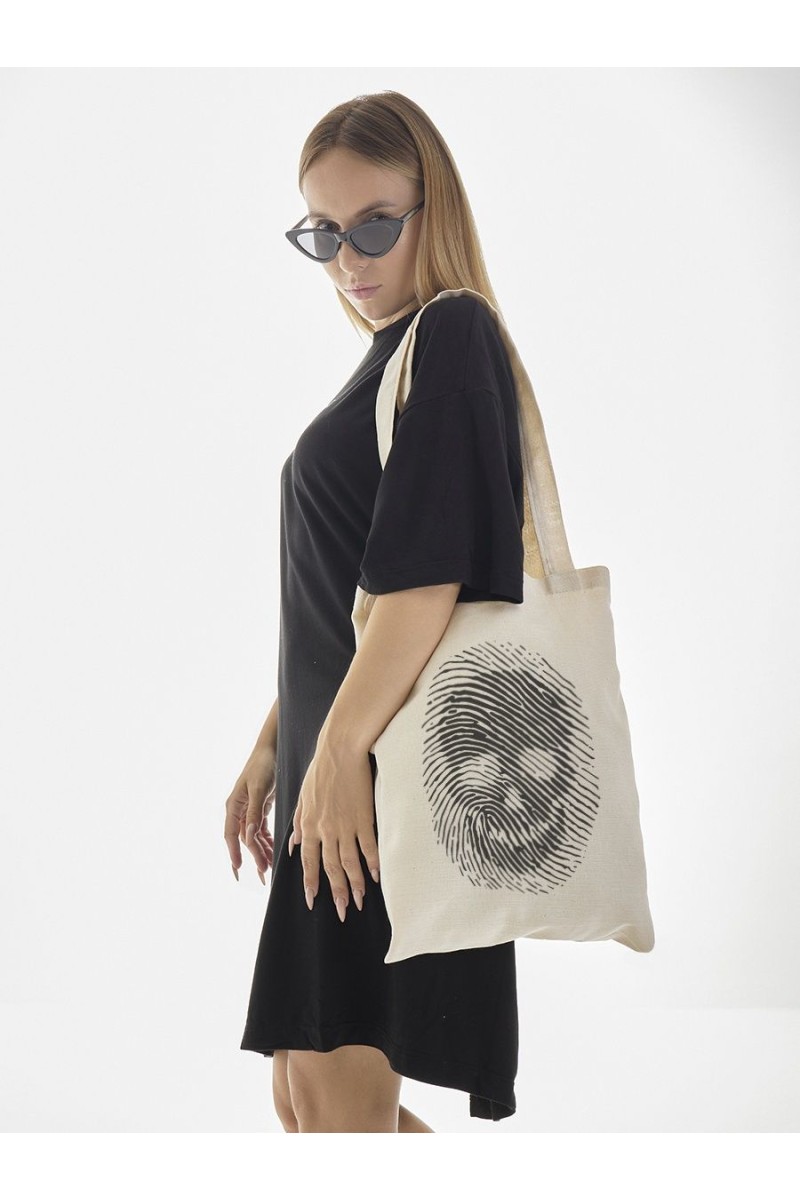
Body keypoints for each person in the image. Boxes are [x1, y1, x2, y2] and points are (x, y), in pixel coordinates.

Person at [224, 90, 526, 1133]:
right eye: (323, 232)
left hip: (374, 782)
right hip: (335, 770)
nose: (348, 258)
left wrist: (339, 751)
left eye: (374, 225)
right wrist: (277, 742)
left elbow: (425, 583)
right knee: (306, 1099)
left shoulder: (452, 333)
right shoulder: (391, 358)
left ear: (432, 207)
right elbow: (350, 595)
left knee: (331, 1098)